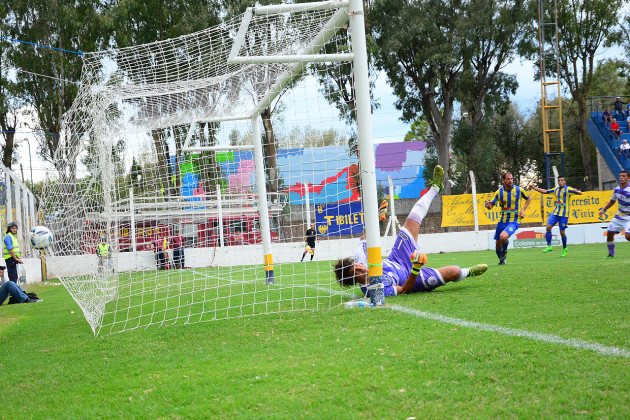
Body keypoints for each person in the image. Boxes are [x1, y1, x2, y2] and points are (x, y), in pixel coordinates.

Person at [334, 165, 488, 297]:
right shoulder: (373, 290)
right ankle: (469, 272)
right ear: (354, 280)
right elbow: (405, 290)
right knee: (454, 271)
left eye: (357, 265)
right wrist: (415, 268)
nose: (361, 267)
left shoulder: (361, 257)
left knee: (412, 218)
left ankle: (435, 188)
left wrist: (377, 220)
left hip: (397, 258)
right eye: (357, 272)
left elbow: (365, 238)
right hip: (412, 279)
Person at [485, 172, 532, 265]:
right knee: (498, 243)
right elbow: (491, 206)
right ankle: (502, 261)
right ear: (503, 180)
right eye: (508, 179)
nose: (510, 180)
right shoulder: (499, 192)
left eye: (511, 178)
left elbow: (529, 198)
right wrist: (488, 205)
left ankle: (504, 251)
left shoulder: (518, 190)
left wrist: (523, 210)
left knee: (503, 236)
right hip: (502, 221)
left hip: (514, 220)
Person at [528, 177, 583, 257]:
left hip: (564, 215)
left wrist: (577, 191)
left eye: (562, 180)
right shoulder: (556, 190)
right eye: (559, 181)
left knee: (562, 232)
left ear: (565, 181)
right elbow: (545, 191)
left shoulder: (568, 190)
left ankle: (564, 248)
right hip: (555, 213)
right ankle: (549, 246)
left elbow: (580, 193)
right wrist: (534, 188)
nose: (560, 182)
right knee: (548, 227)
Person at [599, 170, 630, 259]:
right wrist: (603, 210)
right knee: (609, 233)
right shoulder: (616, 190)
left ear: (628, 178)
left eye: (624, 176)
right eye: (620, 176)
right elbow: (612, 202)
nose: (621, 177)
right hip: (619, 216)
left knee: (628, 236)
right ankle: (611, 255)